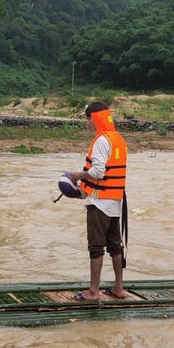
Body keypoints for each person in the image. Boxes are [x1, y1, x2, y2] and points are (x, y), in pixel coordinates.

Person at [67, 102, 129, 300]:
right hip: (115, 202)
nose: (87, 124)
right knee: (115, 245)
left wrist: (77, 175)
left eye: (87, 119)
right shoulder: (117, 138)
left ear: (94, 118)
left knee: (96, 246)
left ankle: (93, 291)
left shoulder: (101, 140)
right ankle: (118, 288)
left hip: (100, 204)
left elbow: (98, 172)